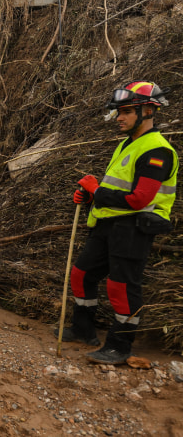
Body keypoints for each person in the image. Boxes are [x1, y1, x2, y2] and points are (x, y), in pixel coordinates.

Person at [61, 81, 178, 364]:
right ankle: (82, 329)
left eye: (126, 111)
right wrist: (90, 198)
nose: (119, 117)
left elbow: (139, 199)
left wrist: (97, 191)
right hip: (109, 225)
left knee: (121, 285)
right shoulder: (129, 144)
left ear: (148, 110)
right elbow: (117, 189)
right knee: (81, 274)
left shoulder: (157, 151)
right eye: (119, 111)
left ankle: (119, 346)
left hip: (135, 227)